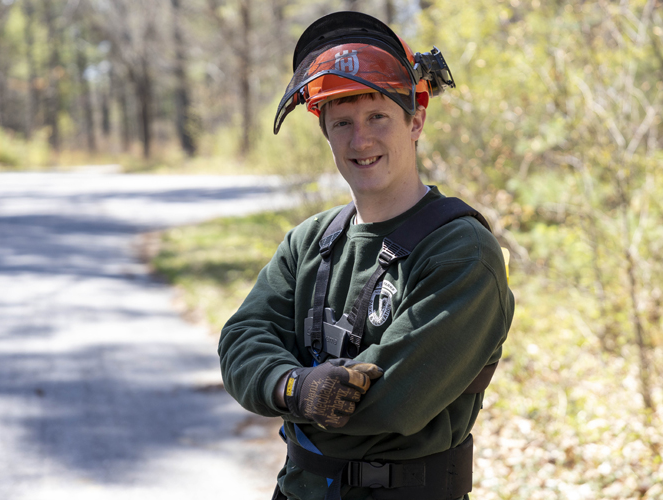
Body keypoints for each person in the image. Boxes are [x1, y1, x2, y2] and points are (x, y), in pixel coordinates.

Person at [219, 11, 514, 500]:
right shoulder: (309, 241)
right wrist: (297, 388)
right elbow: (239, 342)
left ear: (415, 120)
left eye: (378, 116)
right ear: (326, 134)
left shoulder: (461, 251)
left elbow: (393, 402)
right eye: (342, 123)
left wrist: (278, 384)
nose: (361, 140)